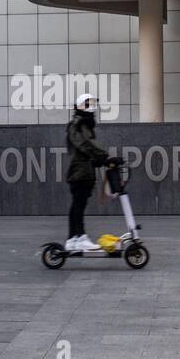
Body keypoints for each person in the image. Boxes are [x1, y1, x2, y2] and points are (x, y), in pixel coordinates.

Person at [65, 93, 119, 252]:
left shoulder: (84, 124)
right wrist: (105, 157)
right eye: (89, 103)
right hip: (79, 172)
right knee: (78, 205)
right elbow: (84, 145)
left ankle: (74, 239)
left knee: (79, 205)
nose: (92, 105)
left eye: (93, 102)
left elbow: (86, 151)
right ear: (81, 105)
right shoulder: (75, 124)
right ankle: (78, 237)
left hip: (85, 172)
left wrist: (102, 160)